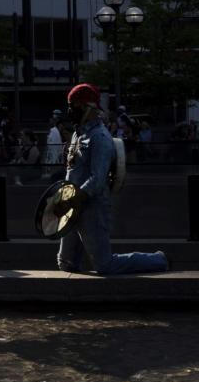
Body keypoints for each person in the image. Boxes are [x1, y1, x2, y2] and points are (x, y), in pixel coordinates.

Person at [55, 83, 168, 274]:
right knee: (66, 263)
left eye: (74, 106)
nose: (70, 111)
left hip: (92, 209)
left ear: (88, 108)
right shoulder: (77, 134)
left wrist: (75, 198)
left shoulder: (99, 137)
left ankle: (158, 260)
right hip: (73, 206)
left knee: (105, 265)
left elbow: (97, 179)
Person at [41, 110, 64, 179]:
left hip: (54, 164)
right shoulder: (52, 131)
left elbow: (55, 150)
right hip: (52, 163)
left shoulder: (54, 131)